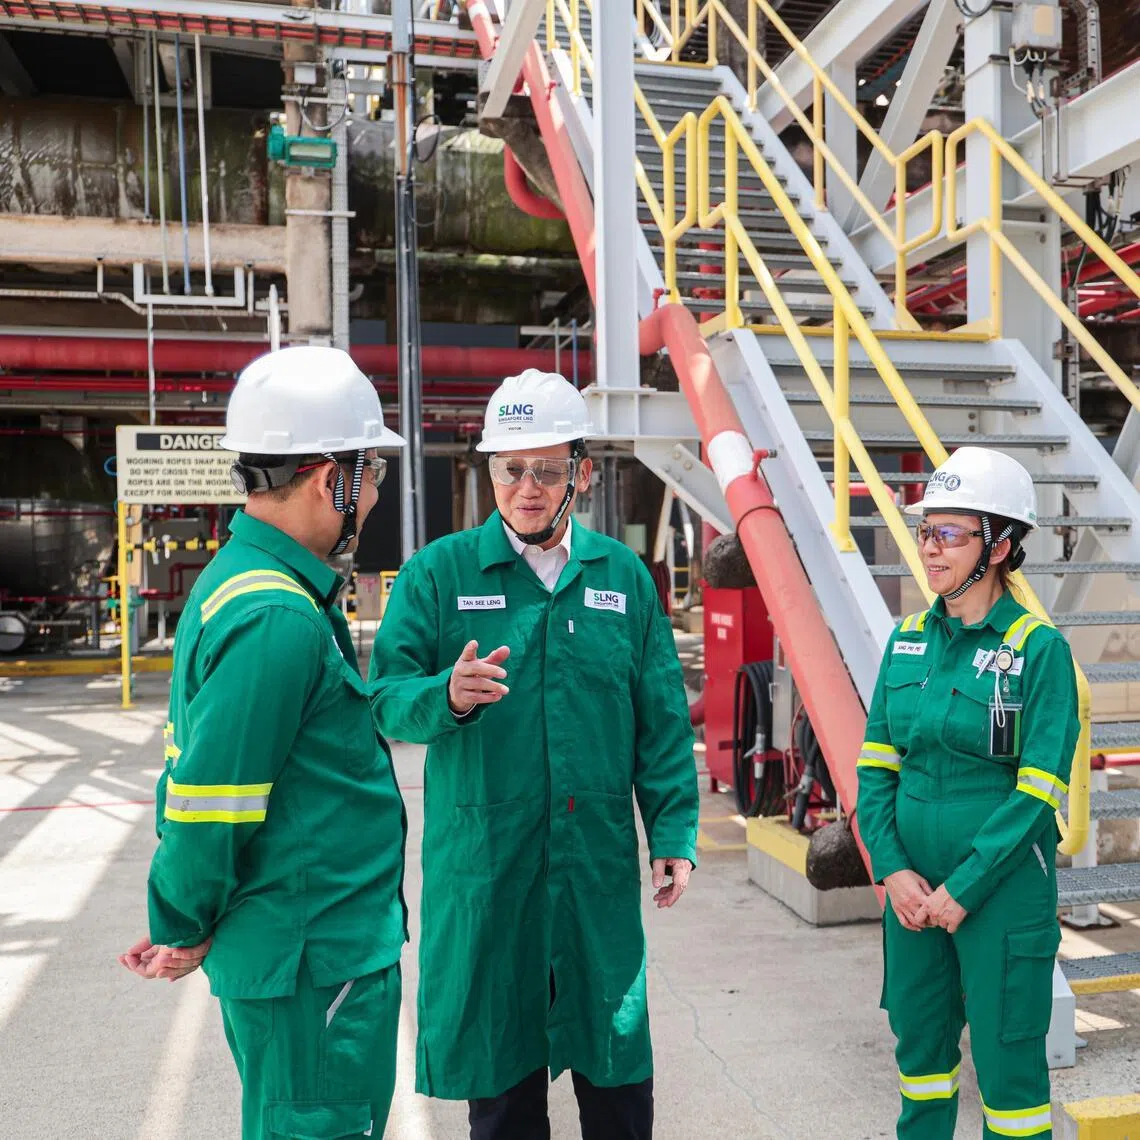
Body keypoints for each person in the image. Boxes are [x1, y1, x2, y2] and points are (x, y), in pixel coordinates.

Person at [369, 369, 699, 1140]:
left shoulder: (621, 579)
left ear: (580, 473)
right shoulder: (438, 576)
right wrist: (444, 697)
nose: (526, 487)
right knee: (505, 1093)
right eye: (510, 468)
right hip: (490, 873)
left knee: (616, 1073)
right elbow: (384, 695)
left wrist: (675, 834)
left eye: (547, 469)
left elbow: (658, 721)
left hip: (594, 871)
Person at [119, 346, 409, 1140]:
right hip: (314, 960)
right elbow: (213, 801)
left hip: (297, 946)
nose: (375, 495)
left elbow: (206, 775)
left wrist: (185, 909)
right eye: (372, 475)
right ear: (329, 480)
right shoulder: (277, 617)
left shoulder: (241, 580)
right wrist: (181, 919)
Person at [857, 446, 1079, 1140]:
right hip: (912, 895)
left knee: (1010, 1077)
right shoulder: (908, 640)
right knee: (919, 1059)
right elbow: (875, 773)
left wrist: (965, 888)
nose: (931, 549)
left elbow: (1038, 792)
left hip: (1001, 895)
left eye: (950, 534)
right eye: (927, 532)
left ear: (1002, 545)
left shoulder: (1038, 650)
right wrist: (893, 872)